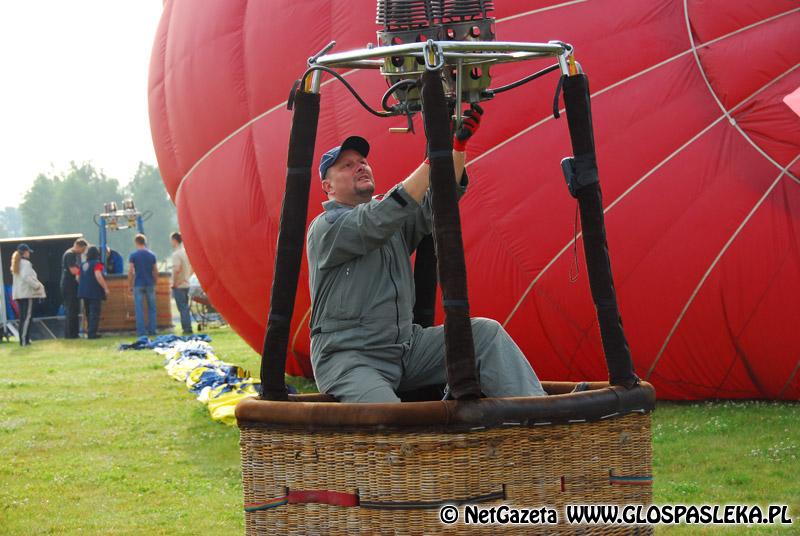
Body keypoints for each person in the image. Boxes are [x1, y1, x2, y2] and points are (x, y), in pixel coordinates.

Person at [306, 107, 546, 403]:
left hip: (405, 349)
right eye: (346, 165)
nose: (360, 167)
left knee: (485, 335)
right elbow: (376, 219)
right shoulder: (327, 227)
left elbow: (440, 200)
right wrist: (434, 157)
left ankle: (539, 416)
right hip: (350, 357)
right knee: (390, 418)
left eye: (363, 162)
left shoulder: (392, 222)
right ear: (327, 187)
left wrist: (456, 148)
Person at [11, 244, 46, 346]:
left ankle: (24, 339)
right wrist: (37, 286)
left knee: (23, 317)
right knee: (27, 317)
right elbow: (26, 277)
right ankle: (24, 340)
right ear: (25, 252)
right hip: (27, 294)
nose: (29, 254)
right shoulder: (26, 263)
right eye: (28, 252)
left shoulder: (16, 263)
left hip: (19, 294)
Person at [128, 234, 158, 336]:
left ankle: (141, 331)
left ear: (136, 242)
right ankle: (152, 330)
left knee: (139, 308)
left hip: (138, 284)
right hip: (150, 283)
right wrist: (155, 282)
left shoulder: (133, 255)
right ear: (144, 242)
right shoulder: (152, 255)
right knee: (152, 308)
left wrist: (129, 285)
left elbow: (131, 271)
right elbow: (155, 271)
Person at [78, 246, 110, 339]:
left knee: (88, 313)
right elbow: (98, 276)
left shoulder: (82, 264)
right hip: (94, 291)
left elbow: (77, 278)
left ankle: (89, 332)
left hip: (84, 292)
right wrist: (105, 288)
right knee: (94, 313)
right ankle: (92, 334)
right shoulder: (97, 264)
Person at [61, 238, 88, 338]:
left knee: (73, 309)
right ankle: (71, 334)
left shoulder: (71, 254)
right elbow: (73, 270)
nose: (83, 252)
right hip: (69, 286)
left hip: (70, 286)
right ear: (79, 246)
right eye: (83, 249)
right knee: (71, 309)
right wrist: (84, 273)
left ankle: (72, 333)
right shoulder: (70, 255)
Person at [169, 231, 194, 334]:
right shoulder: (186, 252)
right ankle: (188, 327)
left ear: (174, 240)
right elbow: (192, 267)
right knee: (185, 307)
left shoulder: (176, 254)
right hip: (186, 283)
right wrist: (187, 277)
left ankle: (186, 328)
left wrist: (175, 283)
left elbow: (177, 269)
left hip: (179, 285)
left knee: (182, 308)